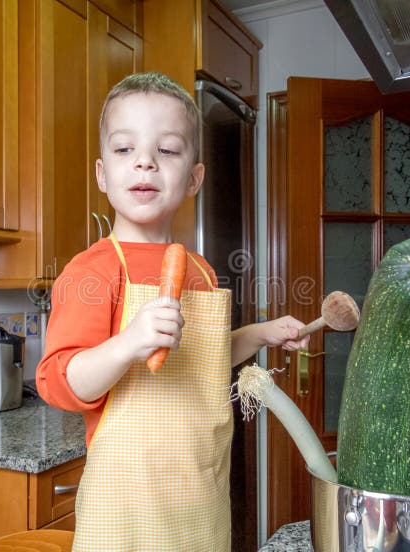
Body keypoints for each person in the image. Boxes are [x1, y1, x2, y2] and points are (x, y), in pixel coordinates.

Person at [37, 71, 309, 551]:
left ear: (194, 179)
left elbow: (204, 362)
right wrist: (129, 343)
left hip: (200, 501)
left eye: (167, 151)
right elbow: (58, 382)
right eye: (124, 150)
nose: (144, 162)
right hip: (127, 511)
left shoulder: (200, 271)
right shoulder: (93, 271)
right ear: (103, 174)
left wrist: (261, 334)